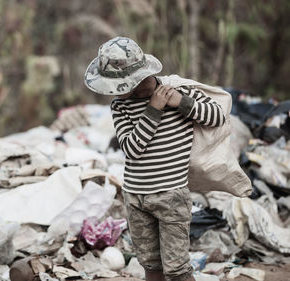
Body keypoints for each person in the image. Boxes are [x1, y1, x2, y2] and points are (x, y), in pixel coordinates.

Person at [84, 37, 226, 281]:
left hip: (171, 195)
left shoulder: (179, 92)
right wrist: (154, 109)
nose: (114, 91)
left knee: (178, 269)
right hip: (136, 196)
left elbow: (217, 117)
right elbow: (132, 148)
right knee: (150, 264)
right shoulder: (120, 106)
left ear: (136, 78)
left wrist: (179, 102)